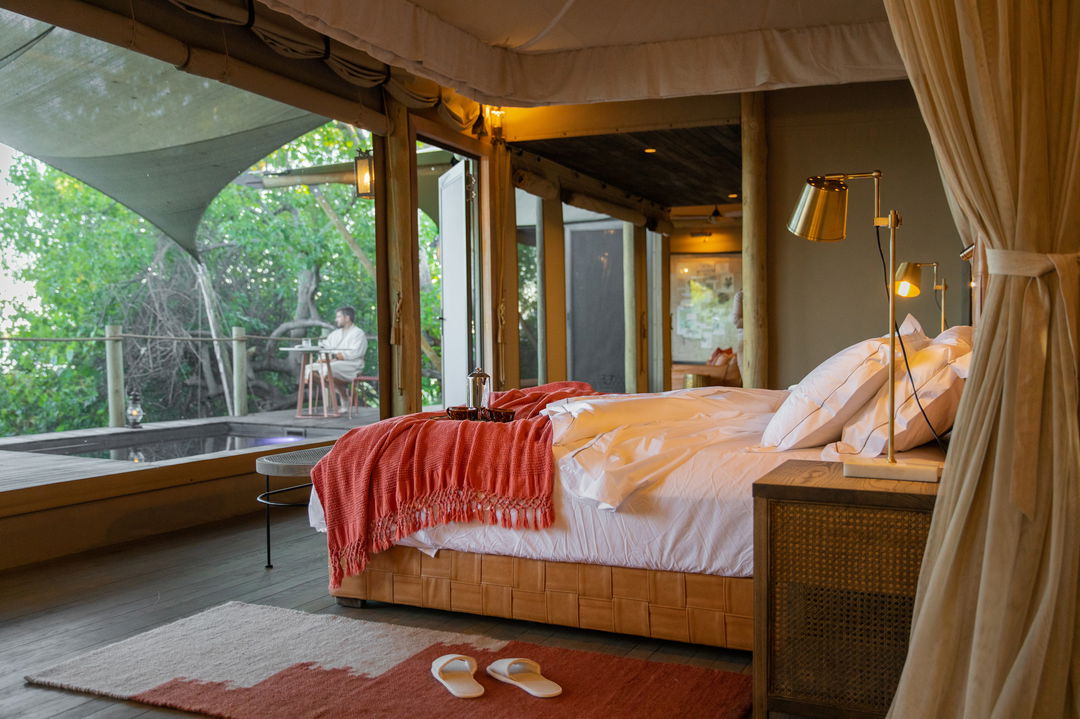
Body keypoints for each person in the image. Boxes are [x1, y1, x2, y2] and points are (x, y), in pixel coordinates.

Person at [304, 306, 367, 403]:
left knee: (329, 368)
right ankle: (342, 393)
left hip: (353, 365)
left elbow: (357, 352)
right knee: (309, 368)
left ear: (347, 318)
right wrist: (324, 356)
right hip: (333, 364)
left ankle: (343, 396)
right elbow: (325, 346)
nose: (336, 319)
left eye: (338, 317)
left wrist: (335, 356)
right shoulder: (335, 334)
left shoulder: (358, 333)